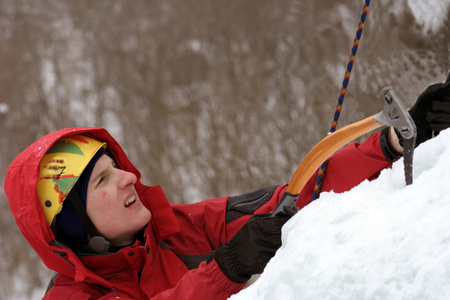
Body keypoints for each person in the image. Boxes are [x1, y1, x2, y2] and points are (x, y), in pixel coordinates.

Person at [4, 78, 449, 299]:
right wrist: (227, 268)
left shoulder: (173, 228)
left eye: (114, 166)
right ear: (73, 227)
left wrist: (392, 142)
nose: (128, 177)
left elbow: (289, 200)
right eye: (103, 180)